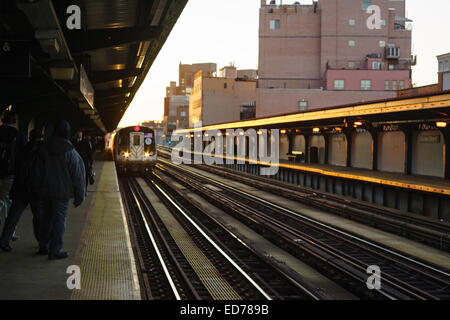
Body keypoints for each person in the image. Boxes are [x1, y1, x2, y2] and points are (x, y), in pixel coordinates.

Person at [39, 120, 86, 260]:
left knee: (45, 218)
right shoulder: (70, 151)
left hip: (44, 190)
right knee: (59, 220)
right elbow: (78, 175)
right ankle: (55, 250)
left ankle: (44, 246)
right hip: (61, 192)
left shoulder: (43, 147)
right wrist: (80, 196)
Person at [0, 129, 45, 252]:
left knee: (13, 216)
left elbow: (16, 166)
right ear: (41, 138)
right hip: (36, 190)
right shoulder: (43, 151)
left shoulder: (23, 149)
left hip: (21, 188)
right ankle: (42, 244)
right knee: (39, 218)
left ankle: (4, 241)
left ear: (29, 137)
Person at [0, 111, 27, 233]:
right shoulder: (19, 135)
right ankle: (10, 231)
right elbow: (25, 156)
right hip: (11, 174)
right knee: (9, 200)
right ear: (14, 121)